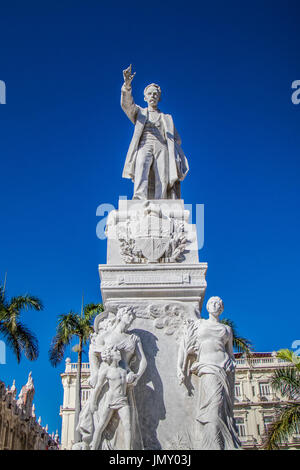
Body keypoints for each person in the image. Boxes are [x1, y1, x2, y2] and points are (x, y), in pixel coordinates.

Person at [177, 296, 241, 450]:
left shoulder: (226, 329)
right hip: (207, 367)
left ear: (222, 308)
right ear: (207, 307)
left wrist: (231, 363)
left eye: (218, 303)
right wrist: (181, 366)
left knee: (219, 407)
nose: (215, 305)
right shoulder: (199, 324)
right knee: (212, 407)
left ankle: (216, 443)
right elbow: (184, 345)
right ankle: (212, 444)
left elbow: (231, 355)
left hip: (221, 368)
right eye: (212, 302)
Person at [121, 65, 189, 200]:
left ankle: (161, 199)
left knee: (162, 175)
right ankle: (139, 197)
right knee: (141, 168)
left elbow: (177, 139)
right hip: (145, 143)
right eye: (150, 94)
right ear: (145, 97)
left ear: (159, 98)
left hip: (162, 146)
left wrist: (171, 147)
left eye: (155, 94)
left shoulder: (167, 118)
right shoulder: (140, 112)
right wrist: (127, 86)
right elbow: (127, 105)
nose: (153, 96)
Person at [90, 346, 136, 450]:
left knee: (128, 425)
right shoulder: (106, 371)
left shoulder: (124, 369)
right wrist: (93, 402)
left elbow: (132, 376)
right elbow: (98, 387)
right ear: (110, 356)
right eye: (115, 351)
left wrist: (132, 376)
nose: (118, 351)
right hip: (110, 401)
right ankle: (94, 448)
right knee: (101, 426)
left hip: (123, 400)